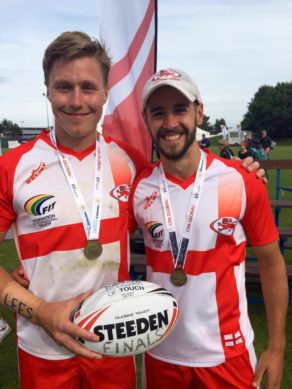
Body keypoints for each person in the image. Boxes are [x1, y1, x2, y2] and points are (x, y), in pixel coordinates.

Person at [0, 31, 149, 389]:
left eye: (88, 87)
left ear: (105, 94)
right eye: (64, 87)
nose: (77, 100)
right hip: (42, 347)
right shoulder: (12, 167)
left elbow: (185, 187)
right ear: (47, 91)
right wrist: (41, 310)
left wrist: (243, 169)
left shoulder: (132, 162)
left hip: (114, 343)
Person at [129, 68, 288, 389]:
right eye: (158, 113)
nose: (170, 122)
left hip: (227, 354)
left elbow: (271, 263)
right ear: (146, 118)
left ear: (199, 111)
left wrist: (276, 346)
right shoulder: (140, 186)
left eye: (180, 109)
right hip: (160, 353)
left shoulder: (242, 180)